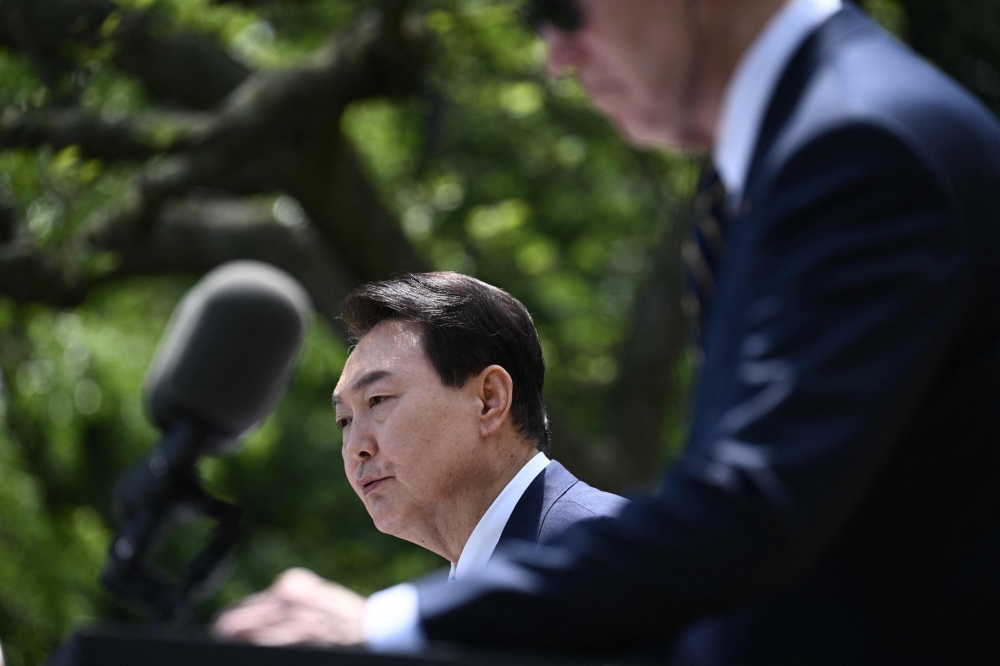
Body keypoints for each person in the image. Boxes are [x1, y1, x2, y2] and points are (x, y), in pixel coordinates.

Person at [221, 0, 1000, 662]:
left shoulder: (858, 144)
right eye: (341, 414)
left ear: (492, 400)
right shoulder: (797, 153)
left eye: (560, 10)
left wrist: (388, 625)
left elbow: (754, 513)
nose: (555, 58)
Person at [214, 272, 627, 646]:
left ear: (489, 400)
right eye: (343, 420)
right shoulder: (460, 594)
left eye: (378, 400)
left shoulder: (600, 553)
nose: (356, 445)